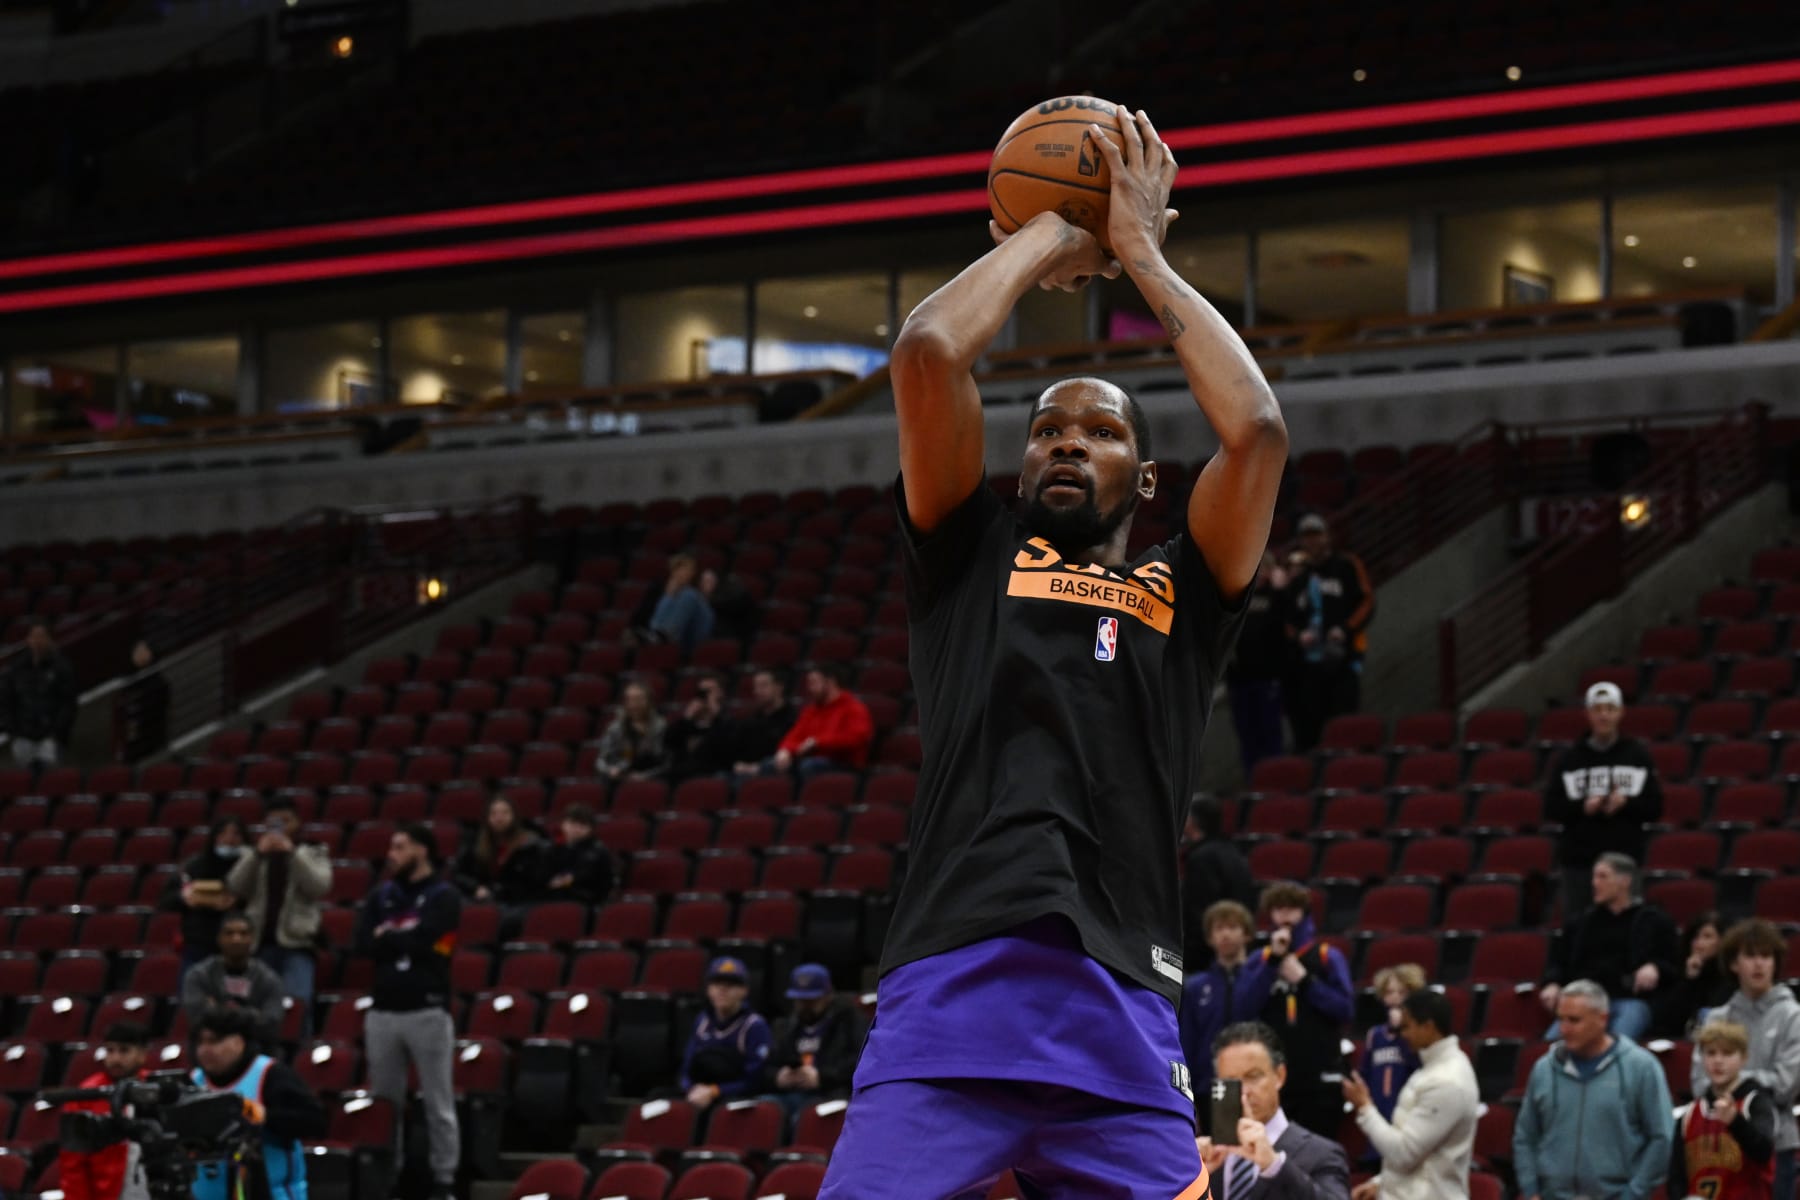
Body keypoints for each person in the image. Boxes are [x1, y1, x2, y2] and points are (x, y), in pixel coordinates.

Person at [819, 104, 1286, 1200]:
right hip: (955, 980)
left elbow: (1257, 429)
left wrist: (1139, 253)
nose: (1069, 438)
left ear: (1148, 478)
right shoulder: (968, 553)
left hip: (1123, 1006)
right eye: (1047, 429)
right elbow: (929, 351)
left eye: (1104, 429)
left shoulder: (1184, 584)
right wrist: (1045, 230)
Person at [356, 823, 462, 1200]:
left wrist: (392, 939)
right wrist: (398, 942)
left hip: (427, 1010)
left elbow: (430, 941)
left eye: (400, 846)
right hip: (383, 1011)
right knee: (385, 1102)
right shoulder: (381, 896)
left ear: (422, 850)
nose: (392, 854)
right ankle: (389, 1176)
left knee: (438, 1100)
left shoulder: (444, 896)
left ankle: (444, 1180)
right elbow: (362, 943)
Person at [1513, 979, 1673, 1200]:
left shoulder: (1641, 1068)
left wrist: (1634, 1194)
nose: (1564, 1029)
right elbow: (1525, 1136)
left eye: (1574, 1020)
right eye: (1560, 1019)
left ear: (1602, 1019)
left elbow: (1661, 1138)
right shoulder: (1543, 1069)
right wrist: (1531, 1189)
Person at [1691, 919, 1800, 1200]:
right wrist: (1754, 1078)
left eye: (1766, 956)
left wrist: (1733, 1079)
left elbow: (1786, 1086)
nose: (1759, 965)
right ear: (1733, 964)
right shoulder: (1717, 1018)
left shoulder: (1792, 1015)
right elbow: (1700, 1082)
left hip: (1776, 1144)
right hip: (1718, 1145)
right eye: (1750, 956)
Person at [1236, 883, 1354, 1138]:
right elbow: (1242, 1009)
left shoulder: (1326, 956)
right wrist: (1272, 965)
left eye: (1292, 909)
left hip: (1318, 1074)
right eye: (1278, 909)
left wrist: (1305, 981)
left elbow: (1345, 1010)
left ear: (1304, 913)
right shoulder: (1260, 960)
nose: (1285, 917)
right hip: (1275, 1074)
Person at [1343, 988, 1478, 1200]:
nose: (1402, 1034)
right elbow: (1422, 1154)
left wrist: (1365, 1108)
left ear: (1428, 1027)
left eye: (1407, 1026)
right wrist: (1381, 1183)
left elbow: (1404, 1154)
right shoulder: (1431, 1070)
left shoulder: (1447, 1081)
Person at [1545, 681, 1663, 916]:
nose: (1604, 715)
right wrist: (1583, 808)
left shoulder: (1637, 755)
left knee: (1627, 927)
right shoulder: (1569, 759)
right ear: (1588, 714)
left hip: (1625, 861)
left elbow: (1655, 807)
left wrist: (1626, 803)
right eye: (1598, 709)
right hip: (1579, 863)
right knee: (1579, 930)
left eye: (1610, 709)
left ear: (1620, 712)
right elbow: (1551, 808)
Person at [1199, 1022, 1350, 1200]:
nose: (1243, 1092)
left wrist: (1273, 1165)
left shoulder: (1322, 1154)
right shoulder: (1207, 1158)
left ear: (1279, 1076)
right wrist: (1189, 1177)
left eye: (1253, 1076)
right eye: (1231, 1082)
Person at [188, 1007, 326, 1200]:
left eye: (214, 1041)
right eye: (200, 1042)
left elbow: (316, 1122)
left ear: (239, 1042)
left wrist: (265, 1117)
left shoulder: (270, 1074)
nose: (204, 1050)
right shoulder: (194, 1080)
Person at [1539, 853, 1677, 1043]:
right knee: (1551, 1048)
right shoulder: (1581, 923)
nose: (1595, 883)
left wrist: (1655, 966)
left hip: (1629, 999)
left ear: (1625, 881)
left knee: (1617, 1046)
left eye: (1603, 876)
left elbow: (1673, 963)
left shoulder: (1654, 921)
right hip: (1585, 999)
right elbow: (1558, 960)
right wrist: (1552, 983)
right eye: (1594, 877)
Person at [227, 798, 331, 1030]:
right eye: (275, 822)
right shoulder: (253, 853)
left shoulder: (312, 850)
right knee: (256, 1007)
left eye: (286, 821)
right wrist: (256, 855)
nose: (280, 827)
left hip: (297, 943)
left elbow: (320, 886)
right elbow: (235, 886)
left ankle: (298, 1055)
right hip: (259, 944)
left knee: (296, 1005)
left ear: (297, 823)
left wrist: (292, 854)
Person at [1282, 515, 1372, 749]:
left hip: (1342, 661)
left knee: (1345, 729)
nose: (1312, 542)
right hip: (1309, 669)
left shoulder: (1346, 566)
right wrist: (1300, 635)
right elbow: (1286, 621)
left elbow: (1367, 602)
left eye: (1316, 535)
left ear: (1327, 537)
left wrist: (1345, 629)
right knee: (1311, 733)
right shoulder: (1299, 580)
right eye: (1307, 537)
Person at [1671, 1018, 1780, 1200]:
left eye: (1727, 1053)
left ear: (1743, 1058)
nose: (1718, 1061)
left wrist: (1736, 1122)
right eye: (1711, 1053)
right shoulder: (1689, 1114)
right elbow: (1677, 1178)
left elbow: (1764, 1153)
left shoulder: (1755, 1102)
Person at [1180, 900, 1256, 1124]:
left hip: (1253, 1079)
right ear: (1210, 938)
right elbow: (1188, 1040)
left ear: (1247, 934)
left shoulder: (1260, 980)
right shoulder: (1196, 987)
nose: (1225, 934)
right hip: (1211, 1083)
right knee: (1220, 1151)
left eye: (1232, 927)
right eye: (1219, 928)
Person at [59, 1022, 151, 1200]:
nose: (115, 1058)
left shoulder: (157, 1090)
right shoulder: (86, 1096)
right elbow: (73, 1164)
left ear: (142, 1054)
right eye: (110, 1050)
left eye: (124, 1051)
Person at [769, 963, 865, 1121]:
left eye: (811, 1000)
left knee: (803, 1117)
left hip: (830, 1094)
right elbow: (766, 1065)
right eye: (800, 1000)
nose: (805, 1005)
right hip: (790, 1094)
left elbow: (859, 1063)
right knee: (767, 1110)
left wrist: (821, 1077)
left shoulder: (849, 1021)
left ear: (828, 995)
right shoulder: (786, 1027)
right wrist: (778, 1077)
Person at [680, 955, 774, 1113]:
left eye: (731, 985)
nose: (722, 989)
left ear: (744, 991)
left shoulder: (754, 1026)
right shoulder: (702, 1021)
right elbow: (686, 1068)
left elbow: (754, 1080)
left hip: (734, 1097)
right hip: (698, 1093)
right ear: (708, 989)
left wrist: (715, 1091)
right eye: (717, 983)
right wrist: (691, 1088)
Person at [180, 912, 286, 1048]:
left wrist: (216, 1009)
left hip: (256, 1050)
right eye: (229, 933)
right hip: (210, 1048)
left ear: (252, 939)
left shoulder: (270, 979)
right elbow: (197, 1019)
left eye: (243, 934)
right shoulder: (198, 975)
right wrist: (252, 1014)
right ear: (218, 938)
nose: (236, 939)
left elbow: (270, 1025)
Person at [163, 817, 248, 982]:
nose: (229, 839)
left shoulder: (250, 866)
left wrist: (237, 901)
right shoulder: (195, 865)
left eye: (236, 834)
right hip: (199, 942)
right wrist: (186, 898)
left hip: (239, 947)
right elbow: (167, 900)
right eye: (223, 833)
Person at [1227, 551, 1291, 771]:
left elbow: (1287, 622)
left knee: (1271, 736)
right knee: (1247, 738)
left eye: (1262, 566)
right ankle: (1254, 786)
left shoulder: (1275, 597)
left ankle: (1275, 784)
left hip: (1266, 678)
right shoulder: (1237, 598)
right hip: (1239, 681)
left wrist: (1279, 589)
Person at [752, 663, 874, 778]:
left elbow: (857, 738)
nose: (810, 688)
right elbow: (795, 735)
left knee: (810, 766)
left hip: (843, 763)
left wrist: (818, 742)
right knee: (770, 764)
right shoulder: (811, 711)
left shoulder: (853, 708)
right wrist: (785, 750)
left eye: (814, 683)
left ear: (830, 682)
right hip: (814, 759)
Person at [1181, 794, 1257, 972]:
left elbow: (1199, 912)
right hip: (1236, 951)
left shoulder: (1202, 858)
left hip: (1208, 959)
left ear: (1192, 821)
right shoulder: (1234, 852)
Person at [1360, 965, 1427, 1133]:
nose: (1396, 997)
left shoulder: (1418, 1034)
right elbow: (1365, 1072)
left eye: (1402, 992)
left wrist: (1402, 1032)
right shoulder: (1374, 1035)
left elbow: (1419, 1066)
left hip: (1408, 1113)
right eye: (1390, 992)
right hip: (1378, 1110)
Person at [3, 619, 77, 765]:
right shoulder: (16, 668)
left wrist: (57, 733)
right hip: (22, 736)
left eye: (42, 636)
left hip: (51, 738)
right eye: (34, 636)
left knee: (50, 782)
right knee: (23, 782)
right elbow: (6, 700)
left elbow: (68, 703)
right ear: (28, 639)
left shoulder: (62, 668)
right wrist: (13, 731)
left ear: (50, 639)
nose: (37, 641)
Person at [1655, 910, 1733, 1040]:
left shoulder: (1732, 976)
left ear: (1723, 940)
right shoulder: (1684, 971)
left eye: (1707, 937)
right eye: (1695, 937)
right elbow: (1667, 1023)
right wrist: (1689, 979)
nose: (1699, 944)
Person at [538, 802, 615, 904]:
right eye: (573, 823)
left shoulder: (598, 851)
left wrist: (568, 880)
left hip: (585, 897)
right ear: (563, 824)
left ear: (591, 829)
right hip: (553, 894)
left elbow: (594, 878)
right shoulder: (552, 847)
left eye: (582, 825)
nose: (576, 829)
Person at [596, 681, 669, 780]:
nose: (633, 705)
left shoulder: (661, 727)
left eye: (638, 700)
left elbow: (667, 764)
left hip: (652, 780)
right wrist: (610, 770)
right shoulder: (615, 728)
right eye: (629, 700)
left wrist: (644, 776)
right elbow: (601, 760)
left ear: (649, 701)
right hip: (619, 778)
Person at [730, 669, 799, 773]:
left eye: (763, 686)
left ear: (779, 687)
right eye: (756, 687)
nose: (757, 691)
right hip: (745, 772)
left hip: (776, 772)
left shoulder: (793, 718)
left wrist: (758, 768)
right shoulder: (750, 720)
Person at [667, 672, 734, 779]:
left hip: (713, 774)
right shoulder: (687, 722)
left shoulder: (728, 721)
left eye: (710, 691)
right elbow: (669, 742)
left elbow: (727, 751)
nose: (705, 696)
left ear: (721, 693)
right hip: (683, 773)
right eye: (702, 692)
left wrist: (717, 715)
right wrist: (687, 717)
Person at [644, 552, 714, 653]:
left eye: (689, 569)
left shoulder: (693, 592)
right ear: (673, 571)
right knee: (671, 597)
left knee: (688, 594)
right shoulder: (660, 589)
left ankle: (663, 636)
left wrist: (705, 594)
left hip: (697, 631)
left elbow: (705, 615)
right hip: (679, 636)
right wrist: (669, 595)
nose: (685, 573)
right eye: (681, 569)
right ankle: (657, 636)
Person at [116, 639, 170, 762]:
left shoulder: (158, 683)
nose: (137, 654)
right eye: (136, 651)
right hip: (132, 738)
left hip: (151, 737)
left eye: (142, 651)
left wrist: (135, 710)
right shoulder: (130, 680)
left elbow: (154, 711)